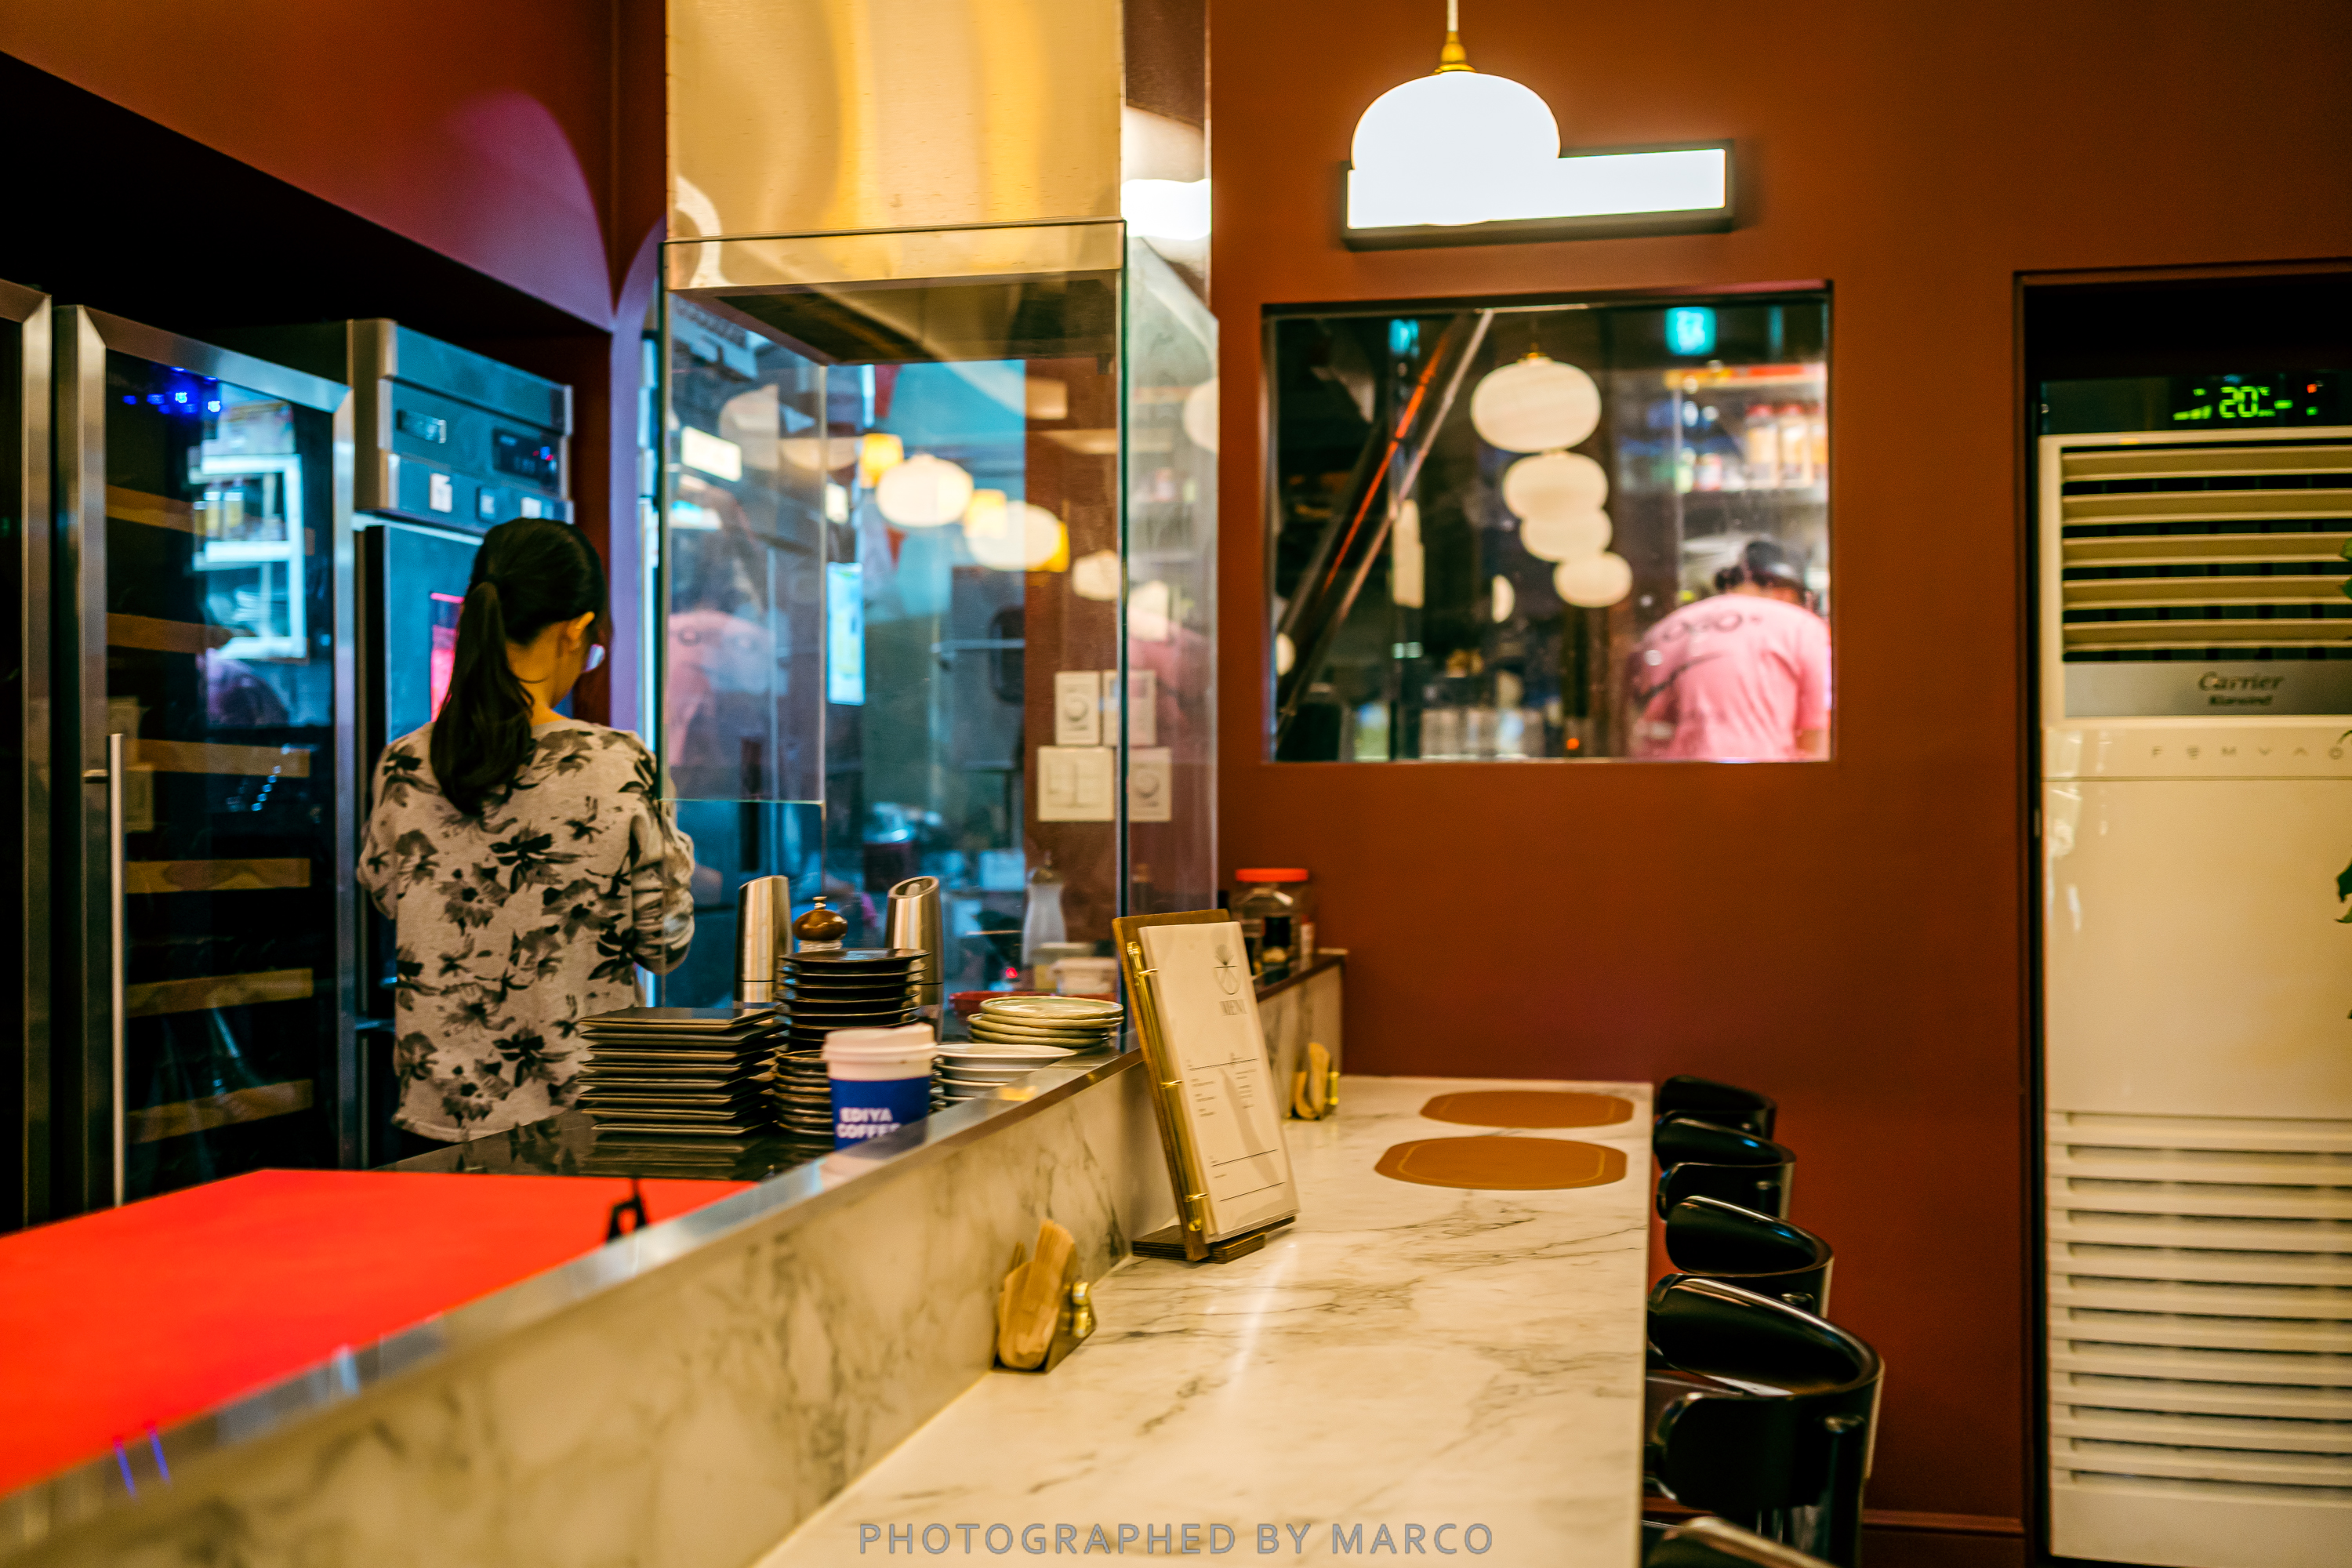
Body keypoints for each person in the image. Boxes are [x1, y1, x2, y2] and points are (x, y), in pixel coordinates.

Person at [358, 519, 695, 1148]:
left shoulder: (406, 761)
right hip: (584, 1121)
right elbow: (663, 943)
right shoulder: (617, 763)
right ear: (574, 630)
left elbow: (389, 897)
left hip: (439, 1123)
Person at [1628, 539, 1830, 761]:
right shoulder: (1801, 626)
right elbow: (1816, 730)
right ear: (1787, 592)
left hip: (1677, 774)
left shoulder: (1666, 628)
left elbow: (1647, 725)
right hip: (1765, 773)